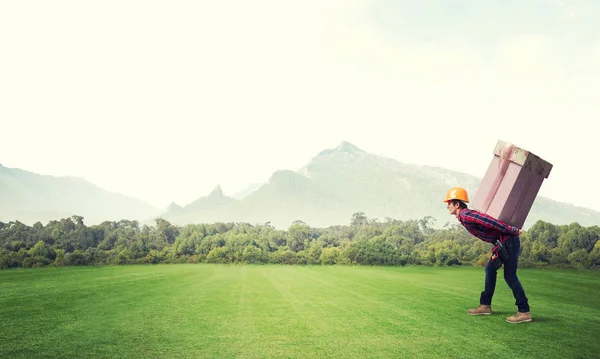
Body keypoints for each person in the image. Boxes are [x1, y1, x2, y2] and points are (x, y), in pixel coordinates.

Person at [444, 187, 532, 324]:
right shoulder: (463, 217)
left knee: (510, 276)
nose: (447, 206)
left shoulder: (466, 215)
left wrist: (512, 230)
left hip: (508, 241)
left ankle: (524, 311)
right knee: (490, 270)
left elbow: (489, 221)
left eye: (449, 203)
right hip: (502, 243)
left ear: (457, 204)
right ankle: (485, 306)